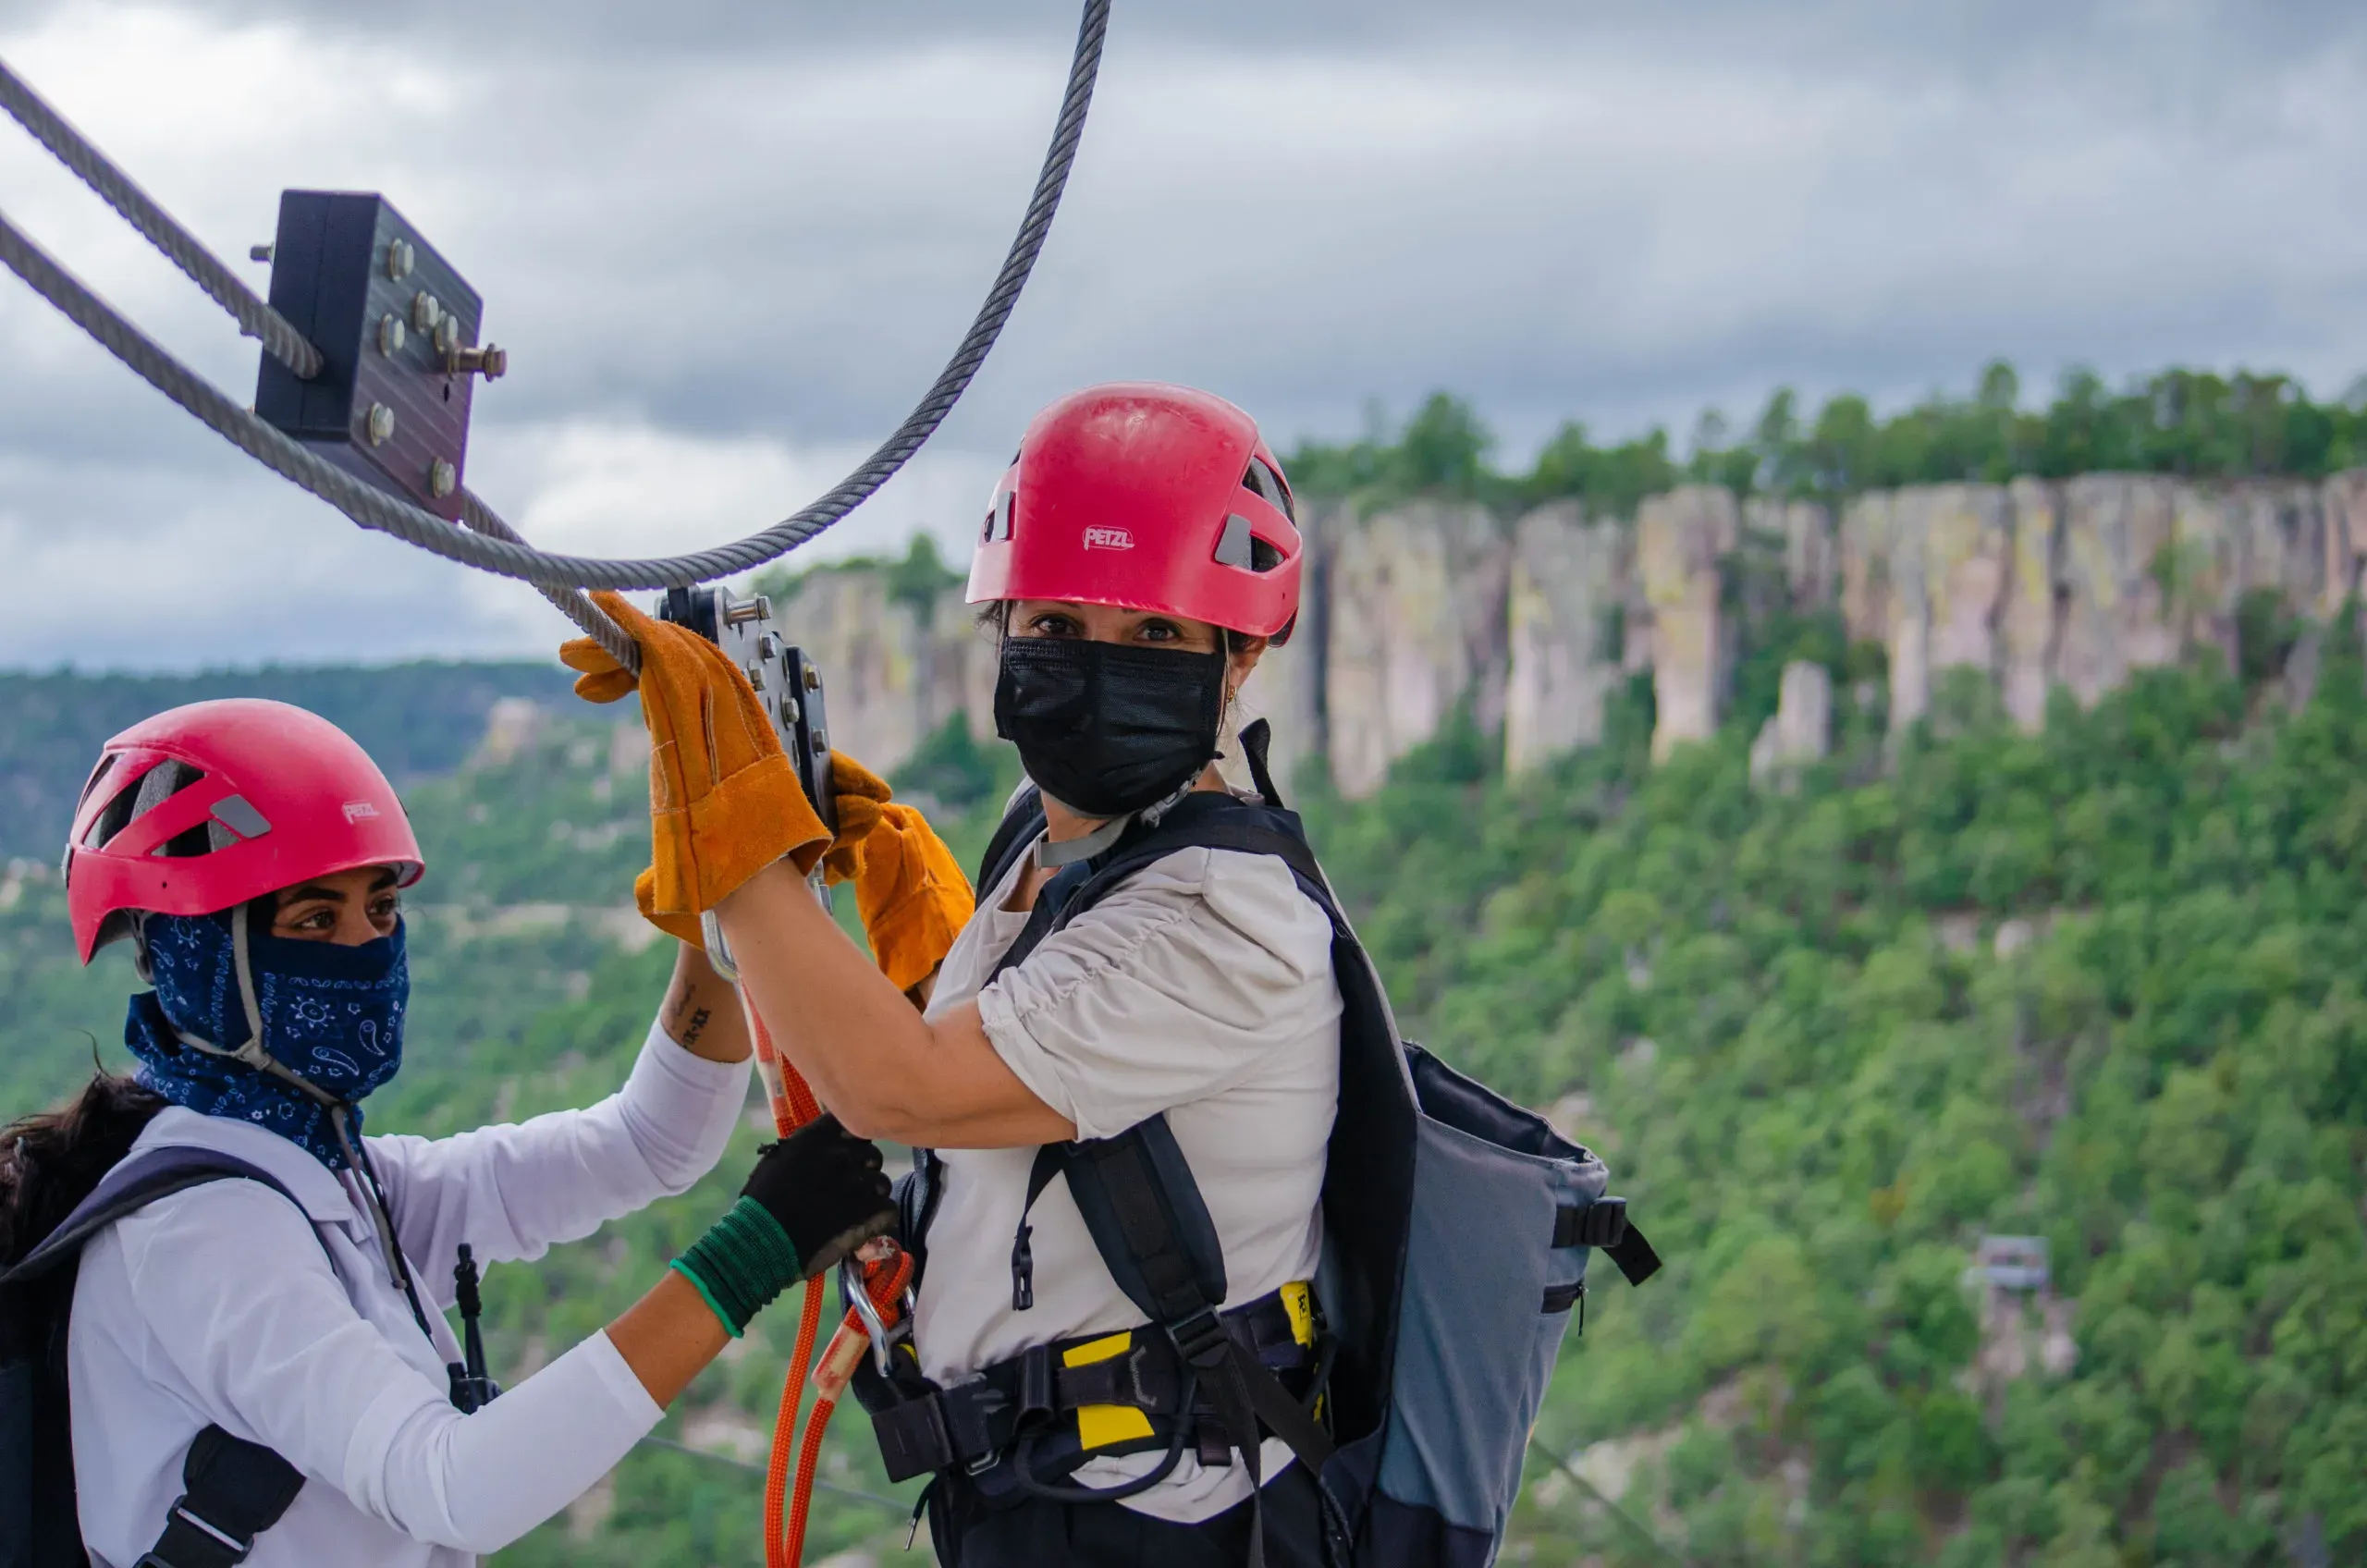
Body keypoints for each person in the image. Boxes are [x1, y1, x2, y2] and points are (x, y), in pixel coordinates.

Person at [561, 382, 1339, 1567]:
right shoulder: (1058, 844)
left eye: (1156, 635)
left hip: (1161, 1522)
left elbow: (902, 1089)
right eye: (1058, 628)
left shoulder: (1223, 919)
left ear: (1235, 662)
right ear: (1005, 630)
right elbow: (1002, 1079)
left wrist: (736, 820)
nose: (1094, 665)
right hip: (1041, 1493)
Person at [22, 697, 895, 1565]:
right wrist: (755, 1253)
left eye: (382, 910)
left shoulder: (333, 1183)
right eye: (314, 920)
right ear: (198, 954)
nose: (364, 949)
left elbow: (648, 1143)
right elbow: (457, 1489)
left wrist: (730, 892)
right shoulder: (202, 1232)